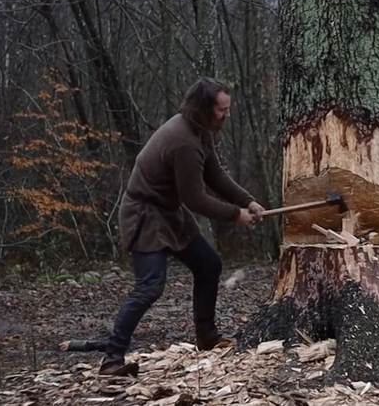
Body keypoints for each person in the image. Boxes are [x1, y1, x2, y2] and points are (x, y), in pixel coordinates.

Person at [99, 77, 265, 377]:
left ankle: (208, 337)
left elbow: (215, 174)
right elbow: (196, 198)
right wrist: (234, 214)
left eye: (227, 109)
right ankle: (112, 359)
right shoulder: (184, 141)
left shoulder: (201, 131)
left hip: (169, 213)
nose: (226, 115)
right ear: (203, 109)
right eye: (221, 110)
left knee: (208, 265)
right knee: (150, 287)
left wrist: (247, 201)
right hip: (144, 216)